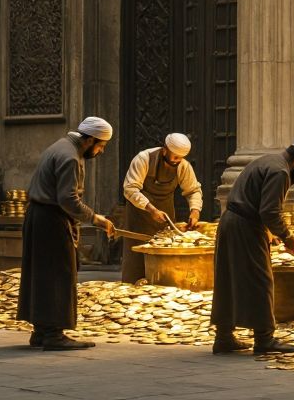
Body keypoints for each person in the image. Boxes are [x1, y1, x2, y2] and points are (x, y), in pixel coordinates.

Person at [210, 137, 294, 354]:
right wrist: (288, 236)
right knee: (261, 279)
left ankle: (223, 337)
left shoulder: (268, 160)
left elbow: (256, 202)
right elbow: (269, 211)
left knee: (228, 278)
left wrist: (269, 232)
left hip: (230, 221)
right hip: (245, 227)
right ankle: (264, 339)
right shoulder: (281, 172)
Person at [17, 116, 118, 350]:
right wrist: (96, 219)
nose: (101, 151)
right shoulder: (71, 157)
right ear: (90, 140)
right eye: (101, 146)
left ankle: (41, 330)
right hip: (51, 220)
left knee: (42, 274)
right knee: (59, 274)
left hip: (38, 216)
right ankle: (54, 334)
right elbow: (68, 199)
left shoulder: (59, 145)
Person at [120, 132, 204, 283]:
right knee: (136, 264)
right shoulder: (144, 158)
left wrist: (195, 211)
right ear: (164, 149)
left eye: (181, 157)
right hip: (139, 218)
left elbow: (193, 190)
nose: (177, 161)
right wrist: (151, 210)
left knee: (165, 268)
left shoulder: (183, 166)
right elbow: (130, 189)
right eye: (175, 157)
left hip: (165, 220)